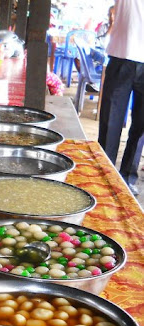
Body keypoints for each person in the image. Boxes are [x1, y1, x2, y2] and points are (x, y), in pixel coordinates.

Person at [98, 0, 144, 196]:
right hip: (121, 56)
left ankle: (127, 178)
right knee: (110, 123)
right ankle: (103, 177)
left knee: (141, 127)